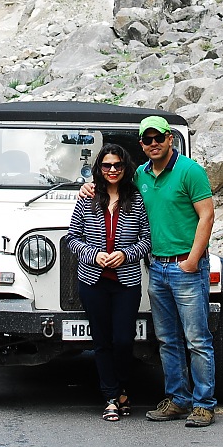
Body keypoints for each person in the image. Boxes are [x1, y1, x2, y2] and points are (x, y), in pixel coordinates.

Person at [80, 116, 217, 427]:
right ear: (141, 145)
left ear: (170, 139)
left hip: (186, 265)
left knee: (196, 338)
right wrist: (86, 186)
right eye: (147, 139)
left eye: (159, 137)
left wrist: (193, 260)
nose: (153, 143)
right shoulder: (140, 175)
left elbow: (207, 216)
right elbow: (111, 182)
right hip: (157, 266)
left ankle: (204, 403)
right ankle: (178, 400)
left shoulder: (190, 171)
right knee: (168, 339)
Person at [66, 143, 151, 422]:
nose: (112, 170)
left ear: (125, 168)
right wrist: (95, 255)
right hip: (93, 280)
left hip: (126, 282)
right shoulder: (87, 198)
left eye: (117, 165)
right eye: (106, 165)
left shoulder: (136, 199)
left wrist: (125, 254)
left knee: (123, 340)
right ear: (99, 169)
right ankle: (111, 397)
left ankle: (123, 387)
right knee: (101, 342)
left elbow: (146, 240)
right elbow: (72, 238)